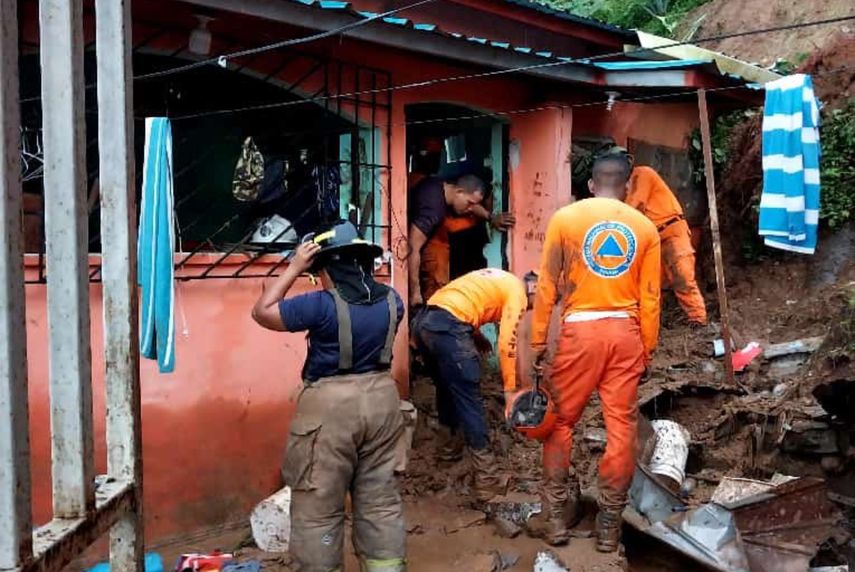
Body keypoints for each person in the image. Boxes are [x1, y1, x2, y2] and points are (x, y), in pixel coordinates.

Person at [252, 220, 406, 572]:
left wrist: (294, 267)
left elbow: (262, 311)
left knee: (318, 508)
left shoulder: (320, 305)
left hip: (331, 411)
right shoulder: (392, 300)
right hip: (383, 401)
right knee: (380, 502)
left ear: (326, 266)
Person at [529, 152, 661, 551]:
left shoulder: (566, 220)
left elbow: (547, 286)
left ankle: (554, 522)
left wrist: (538, 341)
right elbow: (651, 299)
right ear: (627, 187)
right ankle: (608, 529)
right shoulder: (645, 228)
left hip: (580, 333)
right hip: (625, 334)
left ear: (590, 185)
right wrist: (647, 351)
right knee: (621, 430)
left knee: (560, 423)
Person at [410, 268, 537, 503]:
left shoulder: (501, 278)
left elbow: (464, 301)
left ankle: (447, 454)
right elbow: (507, 344)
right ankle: (487, 482)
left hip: (424, 324)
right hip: (448, 328)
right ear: (536, 289)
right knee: (470, 399)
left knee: (448, 390)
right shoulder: (517, 293)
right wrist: (510, 391)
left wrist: (475, 334)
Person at [605, 147, 708, 325]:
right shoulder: (622, 186)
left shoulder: (642, 174)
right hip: (651, 239)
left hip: (671, 231)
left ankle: (699, 321)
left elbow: (634, 207)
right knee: (650, 286)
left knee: (683, 278)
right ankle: (650, 324)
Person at [407, 171, 488, 307]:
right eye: (469, 203)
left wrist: (490, 217)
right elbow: (412, 248)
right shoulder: (433, 211)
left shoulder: (440, 185)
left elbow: (473, 206)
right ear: (459, 191)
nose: (470, 209)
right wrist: (415, 293)